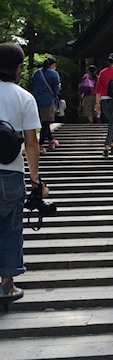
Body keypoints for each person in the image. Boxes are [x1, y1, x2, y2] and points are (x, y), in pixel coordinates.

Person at [0, 43, 48, 302]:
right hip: (11, 173)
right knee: (11, 228)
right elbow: (31, 143)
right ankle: (7, 285)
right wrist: (35, 180)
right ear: (19, 68)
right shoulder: (24, 97)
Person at [31, 55, 61, 154]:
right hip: (48, 101)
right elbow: (56, 89)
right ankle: (41, 144)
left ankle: (51, 140)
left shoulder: (37, 73)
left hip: (37, 100)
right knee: (45, 123)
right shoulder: (54, 74)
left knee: (45, 122)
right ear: (53, 64)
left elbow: (33, 85)